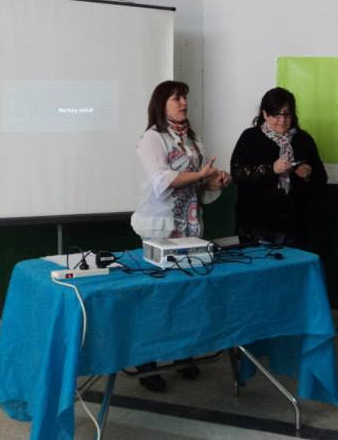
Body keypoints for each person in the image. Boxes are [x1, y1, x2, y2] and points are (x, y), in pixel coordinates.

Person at [130, 80, 230, 392]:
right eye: (177, 98)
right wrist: (200, 175)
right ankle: (146, 363)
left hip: (190, 229)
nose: (184, 103)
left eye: (184, 97)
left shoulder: (193, 140)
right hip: (161, 228)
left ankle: (182, 355)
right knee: (157, 299)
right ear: (162, 104)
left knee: (186, 296)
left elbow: (200, 187)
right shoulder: (153, 138)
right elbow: (162, 180)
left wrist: (215, 181)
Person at [230, 87, 327, 247]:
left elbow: (322, 179)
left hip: (295, 225)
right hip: (256, 224)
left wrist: (309, 174)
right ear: (265, 114)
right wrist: (271, 169)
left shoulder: (303, 139)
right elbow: (237, 173)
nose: (282, 120)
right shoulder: (250, 137)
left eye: (287, 114)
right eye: (276, 114)